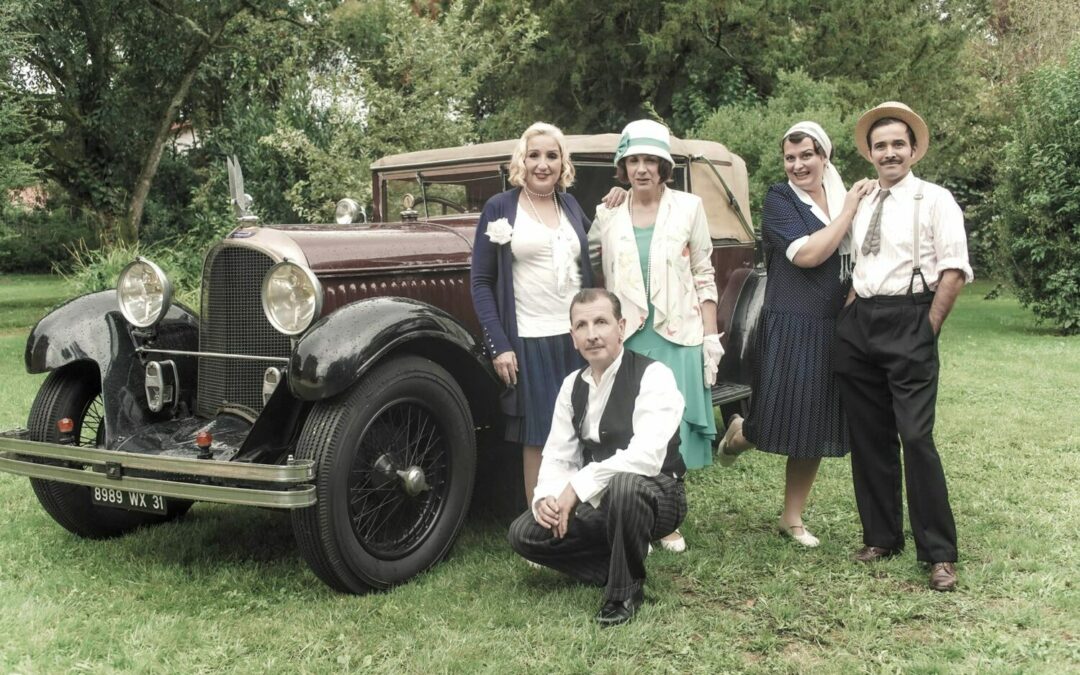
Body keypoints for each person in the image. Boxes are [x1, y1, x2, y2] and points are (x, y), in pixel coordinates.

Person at [834, 102, 972, 591]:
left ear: (913, 150)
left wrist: (927, 327)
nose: (889, 153)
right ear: (870, 154)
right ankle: (881, 537)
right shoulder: (864, 198)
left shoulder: (936, 199)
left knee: (915, 437)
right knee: (869, 437)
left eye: (897, 144)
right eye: (880, 146)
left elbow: (953, 270)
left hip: (912, 317)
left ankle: (938, 553)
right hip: (861, 322)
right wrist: (853, 308)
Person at [716, 122, 873, 547]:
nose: (798, 164)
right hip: (791, 319)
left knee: (815, 420)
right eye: (790, 157)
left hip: (833, 321)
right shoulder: (780, 198)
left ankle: (792, 517)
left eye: (807, 155)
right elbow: (807, 255)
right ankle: (742, 435)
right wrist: (847, 213)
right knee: (781, 411)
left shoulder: (840, 195)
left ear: (825, 156)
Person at [507, 288, 687, 627]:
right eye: (582, 325)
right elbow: (559, 454)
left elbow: (647, 457)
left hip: (658, 494)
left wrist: (577, 487)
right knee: (524, 533)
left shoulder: (653, 375)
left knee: (625, 485)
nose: (592, 334)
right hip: (601, 502)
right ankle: (615, 562)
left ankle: (624, 592)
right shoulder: (571, 386)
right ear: (573, 337)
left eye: (601, 322)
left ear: (621, 327)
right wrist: (547, 497)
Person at [589, 119, 721, 553]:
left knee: (670, 434)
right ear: (622, 165)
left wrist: (710, 334)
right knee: (628, 428)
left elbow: (703, 272)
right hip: (626, 338)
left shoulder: (689, 207)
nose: (641, 169)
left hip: (677, 332)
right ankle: (633, 516)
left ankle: (665, 520)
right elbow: (591, 269)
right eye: (633, 160)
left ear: (664, 165)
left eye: (650, 160)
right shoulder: (607, 212)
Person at [471, 122, 594, 507]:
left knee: (585, 429)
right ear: (521, 160)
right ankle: (541, 527)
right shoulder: (500, 208)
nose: (543, 164)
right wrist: (499, 344)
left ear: (563, 163)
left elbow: (597, 252)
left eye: (552, 156)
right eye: (535, 155)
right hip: (529, 339)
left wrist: (619, 200)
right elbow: (480, 282)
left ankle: (581, 518)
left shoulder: (570, 205)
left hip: (577, 337)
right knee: (539, 437)